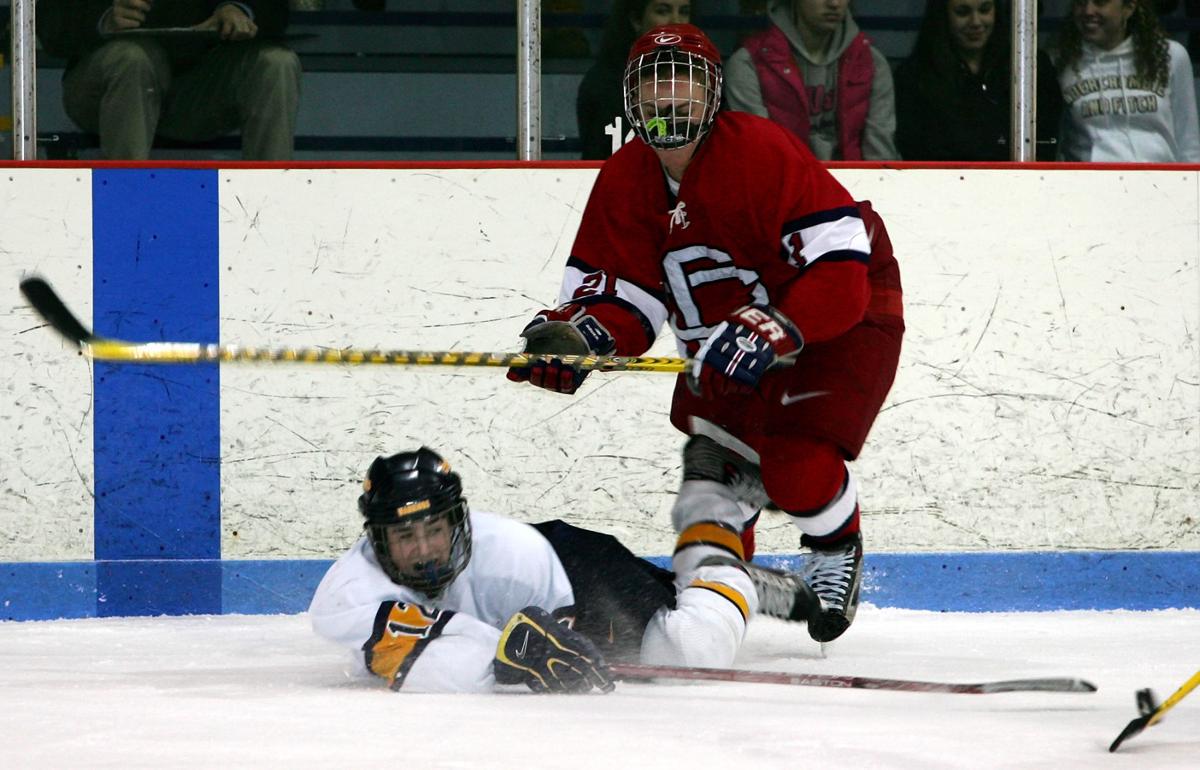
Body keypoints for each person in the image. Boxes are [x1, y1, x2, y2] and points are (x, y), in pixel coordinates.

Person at [507, 24, 904, 644]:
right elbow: (625, 303)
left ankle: (834, 545)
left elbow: (839, 271)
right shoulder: (623, 179)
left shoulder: (760, 153)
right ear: (631, 97)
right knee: (706, 504)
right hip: (727, 343)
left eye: (684, 81)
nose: (669, 97)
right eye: (654, 81)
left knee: (794, 464)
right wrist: (580, 341)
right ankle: (743, 585)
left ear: (714, 94)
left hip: (836, 316)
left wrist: (776, 326)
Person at [309, 447, 771, 693]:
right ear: (378, 539)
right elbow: (435, 669)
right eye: (405, 536)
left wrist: (514, 652)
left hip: (571, 569)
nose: (426, 549)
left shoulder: (516, 555)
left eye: (435, 529)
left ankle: (726, 554)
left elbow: (543, 630)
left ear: (457, 521)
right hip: (525, 599)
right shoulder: (349, 594)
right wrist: (510, 657)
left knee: (690, 650)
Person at [37, 0, 301, 160]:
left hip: (199, 86)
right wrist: (105, 17)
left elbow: (276, 11)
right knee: (132, 58)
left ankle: (268, 208)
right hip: (107, 87)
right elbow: (49, 28)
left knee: (276, 63)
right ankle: (126, 204)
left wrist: (238, 8)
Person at [723, 0, 899, 160]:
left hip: (855, 188)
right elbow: (758, 156)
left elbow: (880, 158)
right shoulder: (749, 63)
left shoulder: (871, 62)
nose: (834, 3)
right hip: (784, 187)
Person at [895, 0, 1064, 161]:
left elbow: (1045, 144)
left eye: (984, 10)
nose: (976, 22)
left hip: (1019, 186)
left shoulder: (1030, 66)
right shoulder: (914, 76)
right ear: (942, 16)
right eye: (962, 12)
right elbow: (914, 153)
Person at [1053, 0, 1200, 162]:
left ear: (1129, 7)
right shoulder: (1063, 61)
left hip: (1160, 181)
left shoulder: (1170, 56)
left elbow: (1188, 141)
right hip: (1091, 182)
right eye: (1081, 2)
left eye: (1100, 2)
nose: (1088, 10)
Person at [577, 0, 695, 159]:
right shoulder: (602, 84)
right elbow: (594, 165)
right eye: (662, 11)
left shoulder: (706, 80)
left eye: (684, 12)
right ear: (636, 20)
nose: (676, 22)